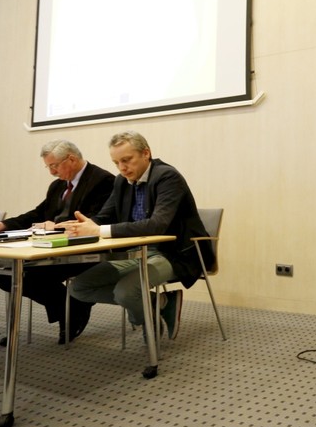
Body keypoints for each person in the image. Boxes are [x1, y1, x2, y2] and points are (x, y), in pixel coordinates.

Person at [63, 131, 212, 341]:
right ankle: (160, 303)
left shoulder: (167, 177)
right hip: (136, 252)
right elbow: (105, 216)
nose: (122, 168)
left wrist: (99, 231)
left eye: (126, 160)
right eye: (116, 163)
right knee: (79, 287)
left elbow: (157, 225)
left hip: (175, 254)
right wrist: (83, 226)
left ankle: (146, 318)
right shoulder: (121, 181)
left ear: (146, 153)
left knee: (126, 292)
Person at [0, 140, 114, 345]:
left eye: (54, 166)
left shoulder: (102, 180)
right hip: (51, 248)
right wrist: (3, 225)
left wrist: (56, 226)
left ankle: (73, 311)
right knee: (6, 277)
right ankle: (73, 307)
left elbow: (96, 220)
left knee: (26, 277)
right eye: (48, 167)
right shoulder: (58, 185)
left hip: (84, 251)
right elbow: (37, 214)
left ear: (71, 159)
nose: (51, 172)